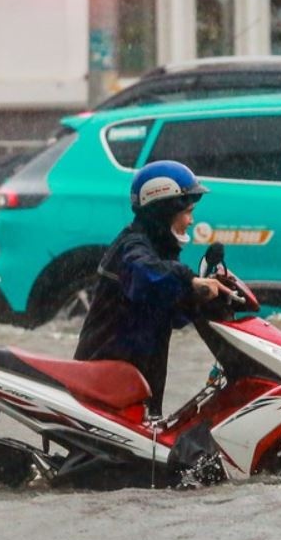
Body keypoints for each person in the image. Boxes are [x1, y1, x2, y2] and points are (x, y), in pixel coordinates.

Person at [74, 160, 230, 416]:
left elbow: (172, 310)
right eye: (188, 212)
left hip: (135, 382)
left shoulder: (158, 249)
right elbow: (146, 276)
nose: (191, 221)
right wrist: (189, 279)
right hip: (109, 383)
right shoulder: (133, 247)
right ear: (165, 209)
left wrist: (202, 299)